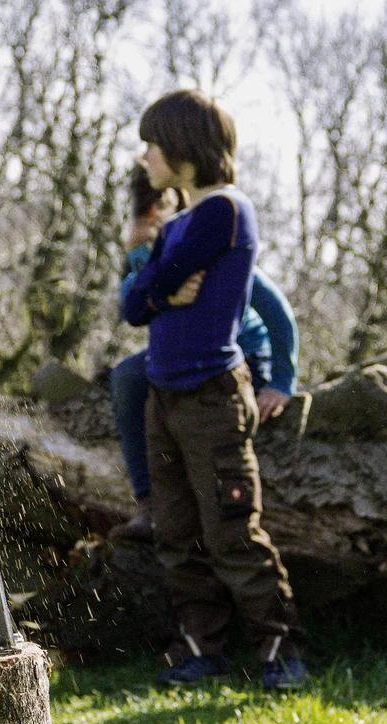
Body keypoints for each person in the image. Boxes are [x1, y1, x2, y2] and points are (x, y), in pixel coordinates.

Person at [122, 89, 307, 691]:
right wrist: (157, 289)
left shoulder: (226, 211)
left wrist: (157, 286)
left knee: (232, 531)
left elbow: (154, 284)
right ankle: (202, 652)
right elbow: (133, 306)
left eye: (153, 145)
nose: (145, 157)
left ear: (184, 147)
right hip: (162, 396)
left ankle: (281, 653)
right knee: (175, 535)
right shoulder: (175, 224)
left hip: (213, 395)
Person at [109, 166, 299, 543]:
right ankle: (148, 503)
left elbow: (278, 313)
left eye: (159, 208)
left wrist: (282, 381)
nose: (152, 221)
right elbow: (132, 304)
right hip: (182, 359)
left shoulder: (207, 239)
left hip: (239, 356)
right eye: (145, 214)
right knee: (127, 378)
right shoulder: (149, 252)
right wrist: (149, 271)